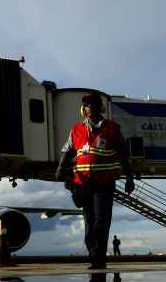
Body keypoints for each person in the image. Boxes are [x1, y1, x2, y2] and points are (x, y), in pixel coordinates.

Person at [56, 93, 134, 269]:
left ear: (100, 108)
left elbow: (124, 155)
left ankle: (98, 258)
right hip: (83, 184)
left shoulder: (112, 128)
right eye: (86, 105)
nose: (88, 108)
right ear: (83, 109)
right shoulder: (76, 130)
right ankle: (93, 254)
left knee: (101, 222)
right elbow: (67, 151)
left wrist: (129, 178)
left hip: (104, 183)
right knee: (89, 225)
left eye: (92, 104)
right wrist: (60, 169)